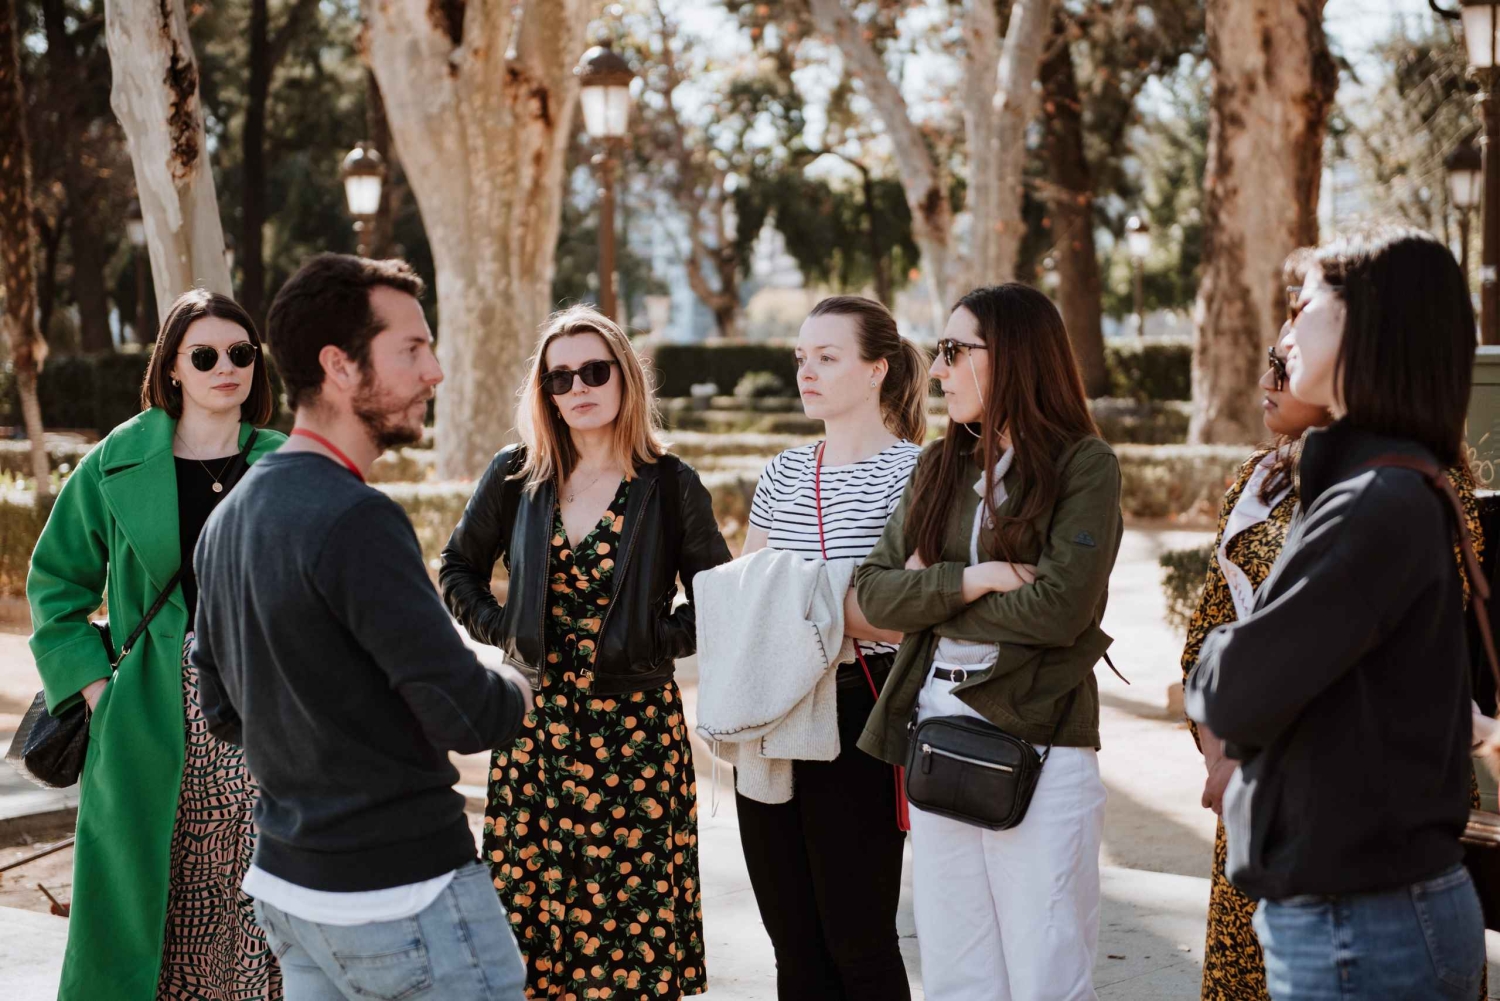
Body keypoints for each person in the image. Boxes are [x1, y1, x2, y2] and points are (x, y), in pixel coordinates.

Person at [191, 254, 532, 1001]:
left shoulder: (226, 520)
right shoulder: (358, 517)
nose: (435, 371)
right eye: (411, 348)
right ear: (339, 366)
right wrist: (515, 680)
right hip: (404, 896)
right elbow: (467, 713)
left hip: (290, 889)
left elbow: (220, 706)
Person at [1185, 227, 1487, 1001]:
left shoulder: (1372, 504)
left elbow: (1230, 685)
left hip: (1364, 926)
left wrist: (1228, 651)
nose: (1285, 330)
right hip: (1366, 913)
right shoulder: (1382, 487)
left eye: (1306, 304)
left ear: (1368, 322)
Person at [439, 304, 731, 1000]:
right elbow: (456, 568)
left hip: (636, 738)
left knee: (631, 942)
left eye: (594, 370)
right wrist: (506, 632)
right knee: (529, 937)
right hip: (534, 729)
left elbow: (721, 600)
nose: (578, 386)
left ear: (625, 377)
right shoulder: (518, 475)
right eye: (560, 376)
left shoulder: (670, 483)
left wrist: (655, 642)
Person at [854, 284, 1123, 1001]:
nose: (936, 370)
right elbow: (874, 594)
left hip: (1040, 740)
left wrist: (931, 598)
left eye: (952, 350)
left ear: (1013, 356)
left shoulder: (1083, 465)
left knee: (1045, 970)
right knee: (956, 973)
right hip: (938, 734)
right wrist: (978, 580)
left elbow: (1062, 609)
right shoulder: (937, 467)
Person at [27, 290, 284, 1001]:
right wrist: (99, 694)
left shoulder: (286, 462)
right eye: (204, 355)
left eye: (240, 353)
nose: (225, 367)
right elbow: (55, 589)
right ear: (173, 368)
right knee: (156, 900)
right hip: (150, 708)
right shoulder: (119, 461)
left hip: (266, 708)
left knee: (262, 900)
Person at [733, 295, 928, 1001]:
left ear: (877, 368)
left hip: (861, 716)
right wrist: (834, 604)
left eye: (827, 356)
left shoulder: (919, 471)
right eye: (800, 358)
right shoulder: (782, 471)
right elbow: (745, 600)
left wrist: (811, 604)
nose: (805, 371)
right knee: (794, 946)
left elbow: (905, 613)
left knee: (859, 939)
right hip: (773, 720)